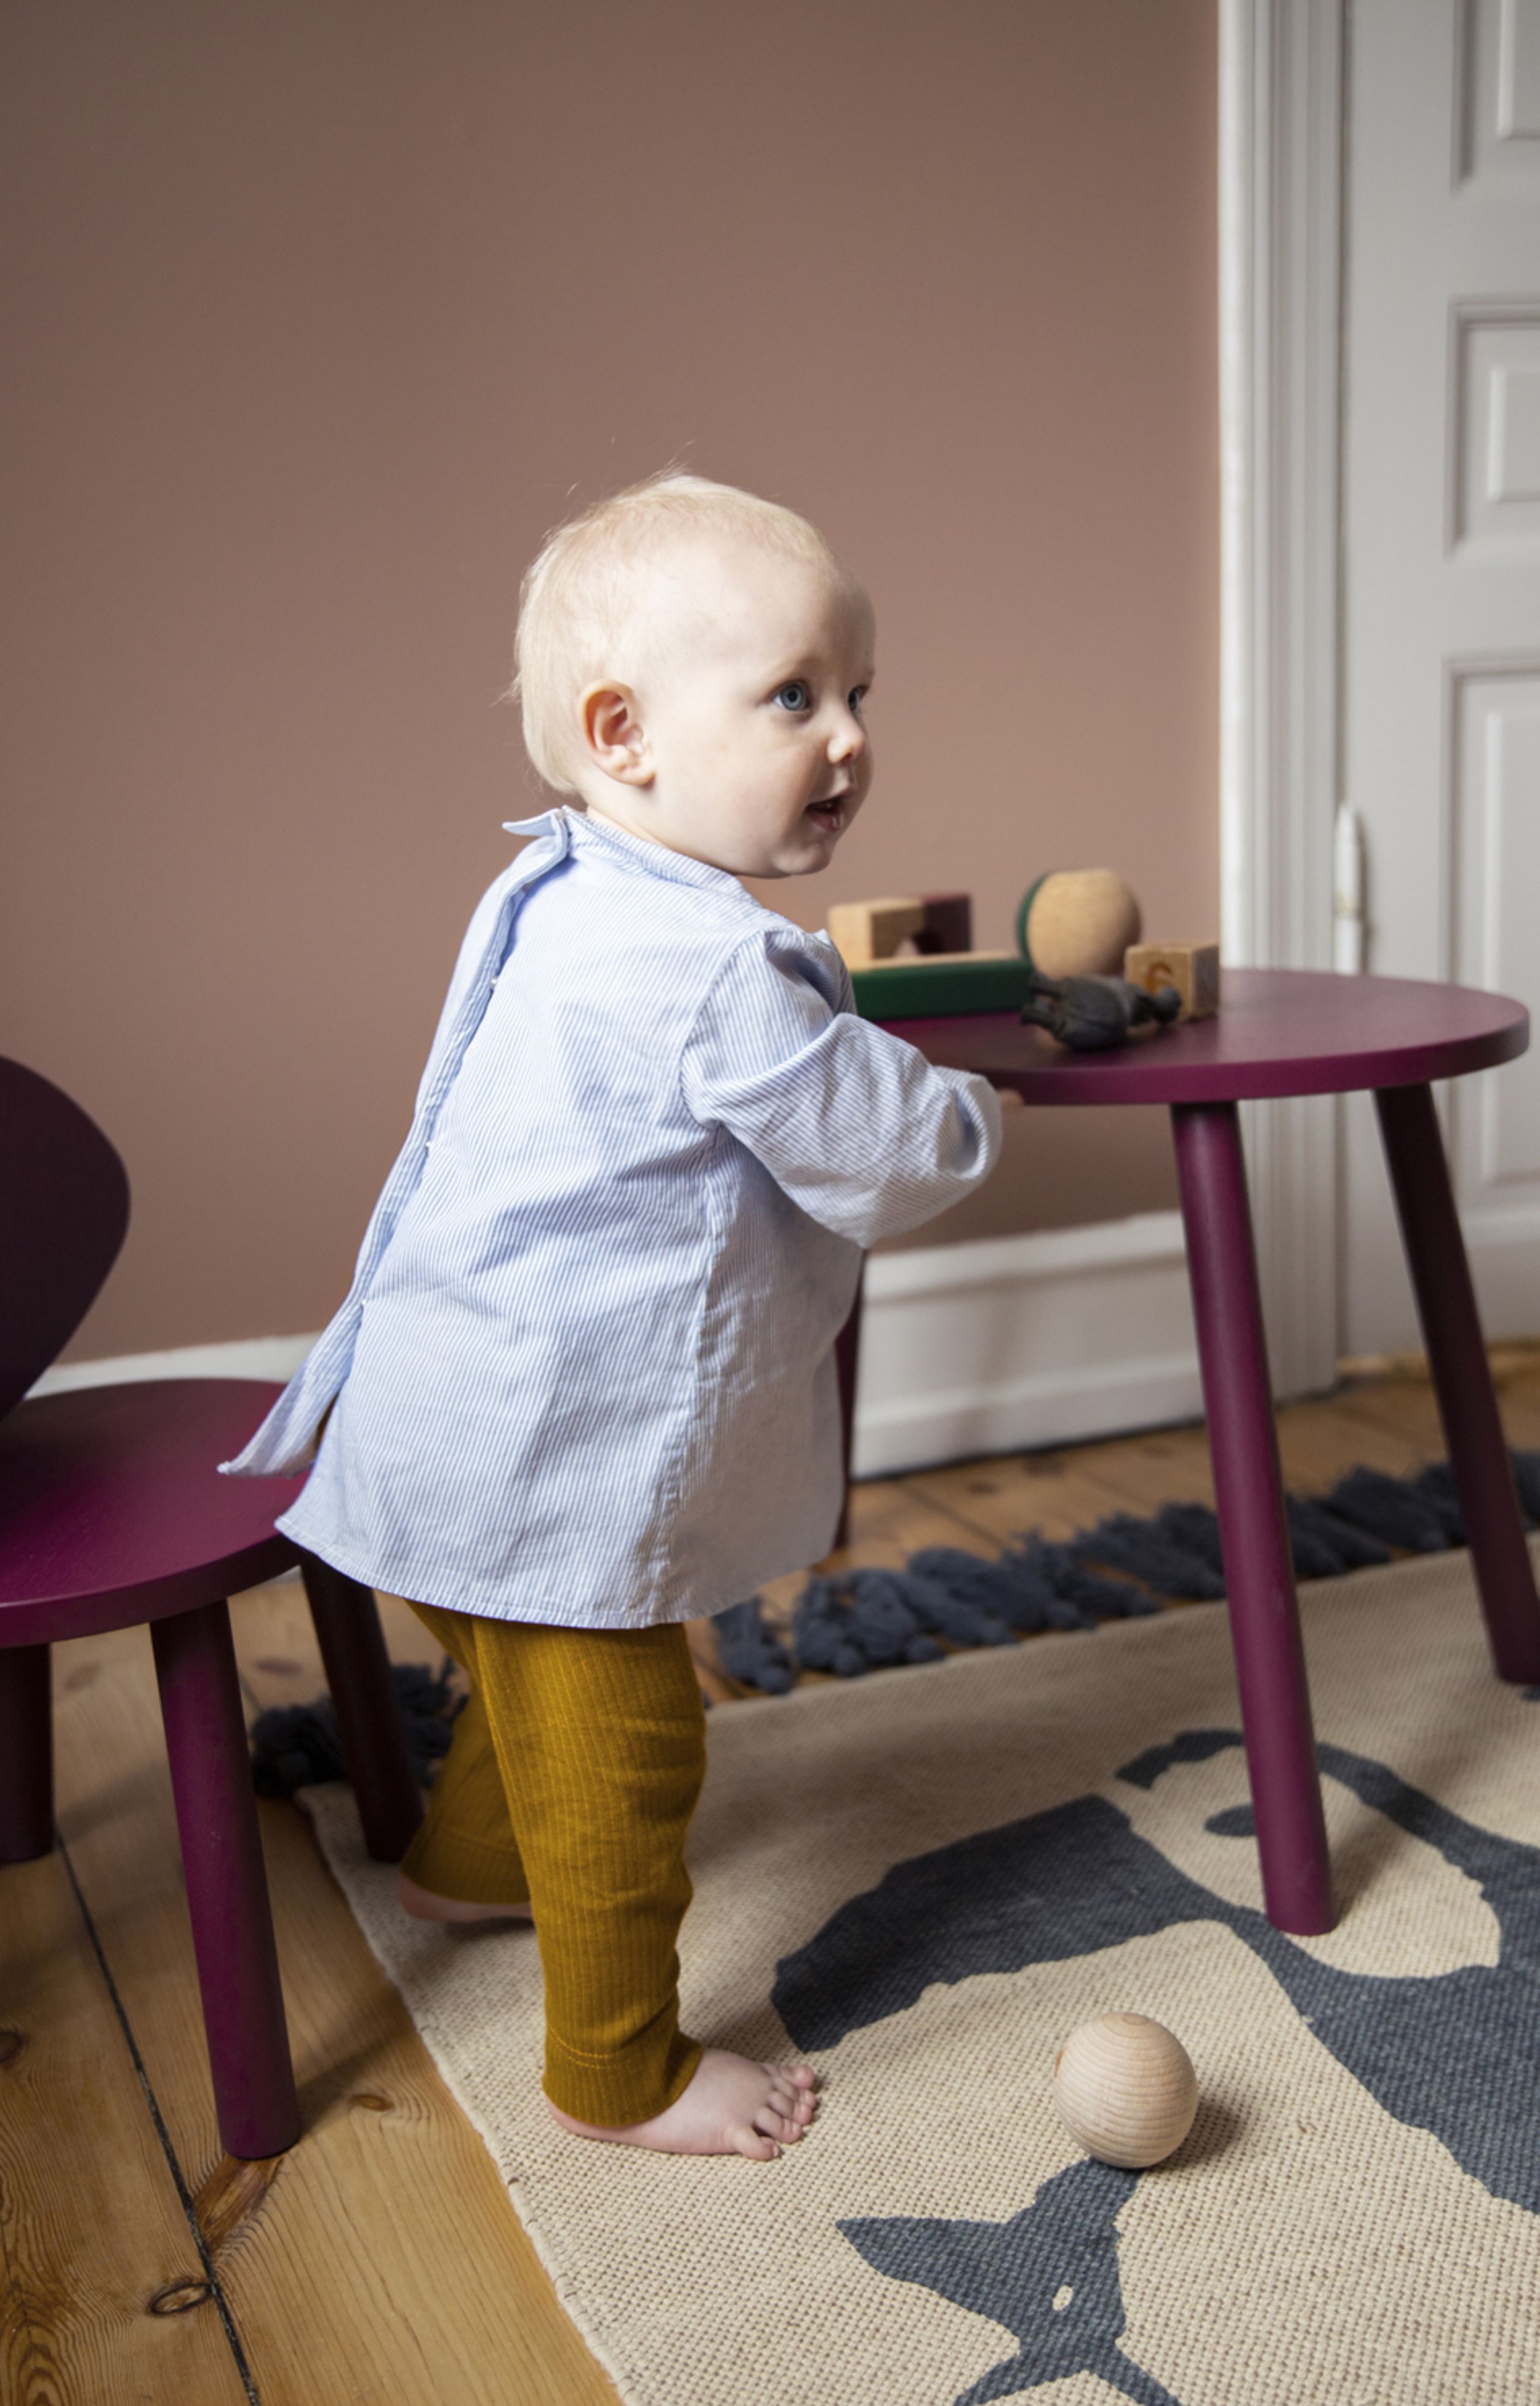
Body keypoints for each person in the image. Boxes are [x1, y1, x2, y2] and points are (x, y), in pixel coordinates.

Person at [226, 473, 1009, 2159]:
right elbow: (888, 1155)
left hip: (427, 1434)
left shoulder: (554, 894)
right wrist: (976, 1095)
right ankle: (620, 2072)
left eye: (862, 693)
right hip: (553, 1464)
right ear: (624, 734)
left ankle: (461, 1875)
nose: (851, 736)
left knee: (514, 1677)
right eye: (797, 695)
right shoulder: (732, 970)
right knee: (625, 1762)